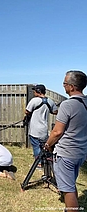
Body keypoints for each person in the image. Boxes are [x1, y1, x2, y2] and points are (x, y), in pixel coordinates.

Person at [45, 70, 87, 212]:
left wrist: (48, 144)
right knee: (70, 183)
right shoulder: (85, 103)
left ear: (72, 86)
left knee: (67, 189)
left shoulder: (67, 105)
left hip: (66, 153)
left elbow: (57, 131)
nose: (63, 86)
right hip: (80, 152)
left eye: (64, 83)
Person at [24, 84, 58, 168]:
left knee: (36, 146)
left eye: (35, 90)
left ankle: (39, 164)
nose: (34, 92)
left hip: (35, 129)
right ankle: (46, 161)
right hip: (44, 129)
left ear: (38, 91)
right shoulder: (50, 101)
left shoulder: (34, 101)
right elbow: (55, 112)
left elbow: (27, 111)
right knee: (44, 146)